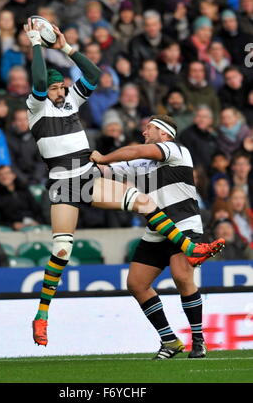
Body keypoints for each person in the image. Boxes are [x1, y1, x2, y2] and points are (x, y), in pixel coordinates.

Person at [24, 20, 224, 347]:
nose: (59, 91)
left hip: (86, 173)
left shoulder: (72, 101)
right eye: (54, 87)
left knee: (144, 202)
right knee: (61, 249)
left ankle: (189, 247)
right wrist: (35, 44)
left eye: (61, 86)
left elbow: (94, 75)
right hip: (63, 183)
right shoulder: (36, 107)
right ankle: (42, 314)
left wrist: (65, 48)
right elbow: (37, 80)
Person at [90, 114, 225, 359]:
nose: (145, 132)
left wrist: (104, 156)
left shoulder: (176, 150)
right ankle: (169, 340)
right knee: (136, 284)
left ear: (164, 134)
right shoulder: (140, 165)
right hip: (156, 230)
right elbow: (104, 171)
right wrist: (76, 163)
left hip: (183, 225)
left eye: (149, 128)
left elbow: (130, 153)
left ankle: (198, 340)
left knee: (181, 277)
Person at [0, 165, 44, 230]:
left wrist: (37, 221)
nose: (4, 177)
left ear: (14, 175)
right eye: (0, 175)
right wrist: (12, 225)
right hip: (12, 231)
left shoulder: (24, 190)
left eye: (7, 173)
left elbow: (37, 210)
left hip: (33, 225)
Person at [6, 108, 46, 185]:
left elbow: (41, 161)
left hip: (38, 178)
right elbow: (11, 163)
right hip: (18, 180)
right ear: (13, 122)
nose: (23, 123)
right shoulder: (8, 139)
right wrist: (23, 179)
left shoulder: (37, 136)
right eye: (19, 120)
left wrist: (36, 177)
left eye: (26, 119)